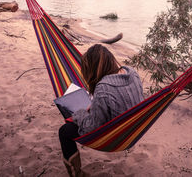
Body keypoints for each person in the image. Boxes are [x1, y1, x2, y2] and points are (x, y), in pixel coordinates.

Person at [59, 44, 144, 176]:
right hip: (133, 129)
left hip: (115, 136)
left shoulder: (103, 87)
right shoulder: (132, 72)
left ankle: (76, 173)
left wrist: (79, 114)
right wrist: (95, 106)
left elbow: (91, 128)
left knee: (65, 131)